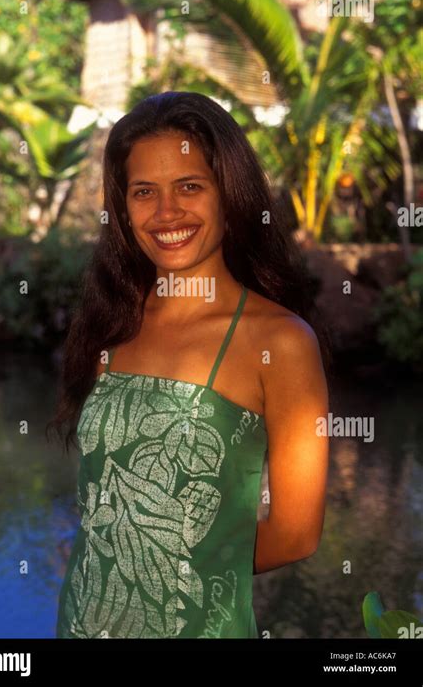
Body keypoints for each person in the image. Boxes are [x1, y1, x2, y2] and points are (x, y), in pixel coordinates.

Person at [49, 91, 329, 639]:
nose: (166, 213)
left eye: (190, 187)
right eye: (144, 192)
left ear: (230, 195)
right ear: (123, 207)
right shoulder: (113, 321)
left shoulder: (280, 341)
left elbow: (296, 534)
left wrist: (162, 577)